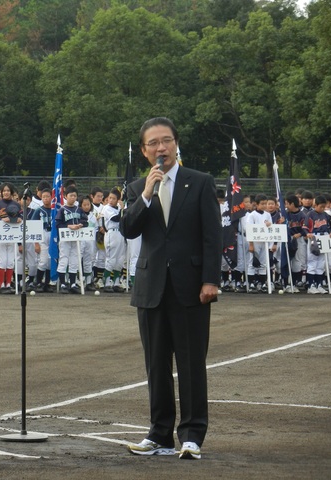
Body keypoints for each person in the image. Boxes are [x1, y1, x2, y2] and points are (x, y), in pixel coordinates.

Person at [120, 117, 221, 460]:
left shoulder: (200, 182)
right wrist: (147, 193)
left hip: (191, 288)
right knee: (156, 365)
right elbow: (129, 229)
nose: (161, 148)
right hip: (150, 288)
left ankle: (192, 435)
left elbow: (212, 236)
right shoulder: (137, 188)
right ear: (145, 151)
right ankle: (159, 434)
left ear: (176, 144)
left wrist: (211, 280)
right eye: (153, 143)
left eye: (166, 141)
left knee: (191, 363)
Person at [54, 185, 88, 293]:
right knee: (64, 259)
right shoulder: (62, 210)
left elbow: (85, 221)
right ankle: (63, 283)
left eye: (75, 196)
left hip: (77, 238)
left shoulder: (79, 209)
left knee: (75, 260)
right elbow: (58, 224)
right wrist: (69, 226)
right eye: (70, 195)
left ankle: (73, 283)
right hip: (65, 238)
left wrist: (80, 225)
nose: (73, 198)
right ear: (65, 196)